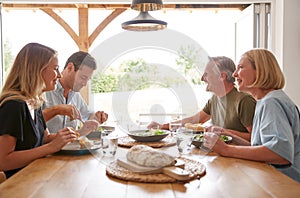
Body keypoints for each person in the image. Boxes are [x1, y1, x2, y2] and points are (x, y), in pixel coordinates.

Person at [207, 49, 300, 182]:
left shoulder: (271, 102)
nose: (234, 74)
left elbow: (279, 154)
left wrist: (227, 149)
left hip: (285, 183)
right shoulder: (265, 100)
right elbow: (263, 146)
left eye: (240, 67)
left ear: (260, 70)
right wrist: (231, 137)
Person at [0, 43, 90, 179]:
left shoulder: (35, 102)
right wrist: (51, 147)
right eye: (56, 69)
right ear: (37, 69)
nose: (59, 75)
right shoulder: (14, 105)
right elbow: (4, 161)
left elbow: (44, 138)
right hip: (18, 184)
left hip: (36, 177)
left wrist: (67, 135)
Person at [148, 56, 256, 141]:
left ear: (221, 76)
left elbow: (254, 139)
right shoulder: (215, 99)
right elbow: (195, 120)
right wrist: (163, 126)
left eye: (206, 74)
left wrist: (223, 132)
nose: (202, 78)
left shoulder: (244, 100)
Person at [42, 51, 108, 134]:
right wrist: (57, 110)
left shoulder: (75, 95)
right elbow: (32, 121)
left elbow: (87, 116)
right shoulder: (45, 90)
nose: (84, 84)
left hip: (72, 146)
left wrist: (98, 117)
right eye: (83, 77)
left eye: (88, 79)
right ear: (70, 68)